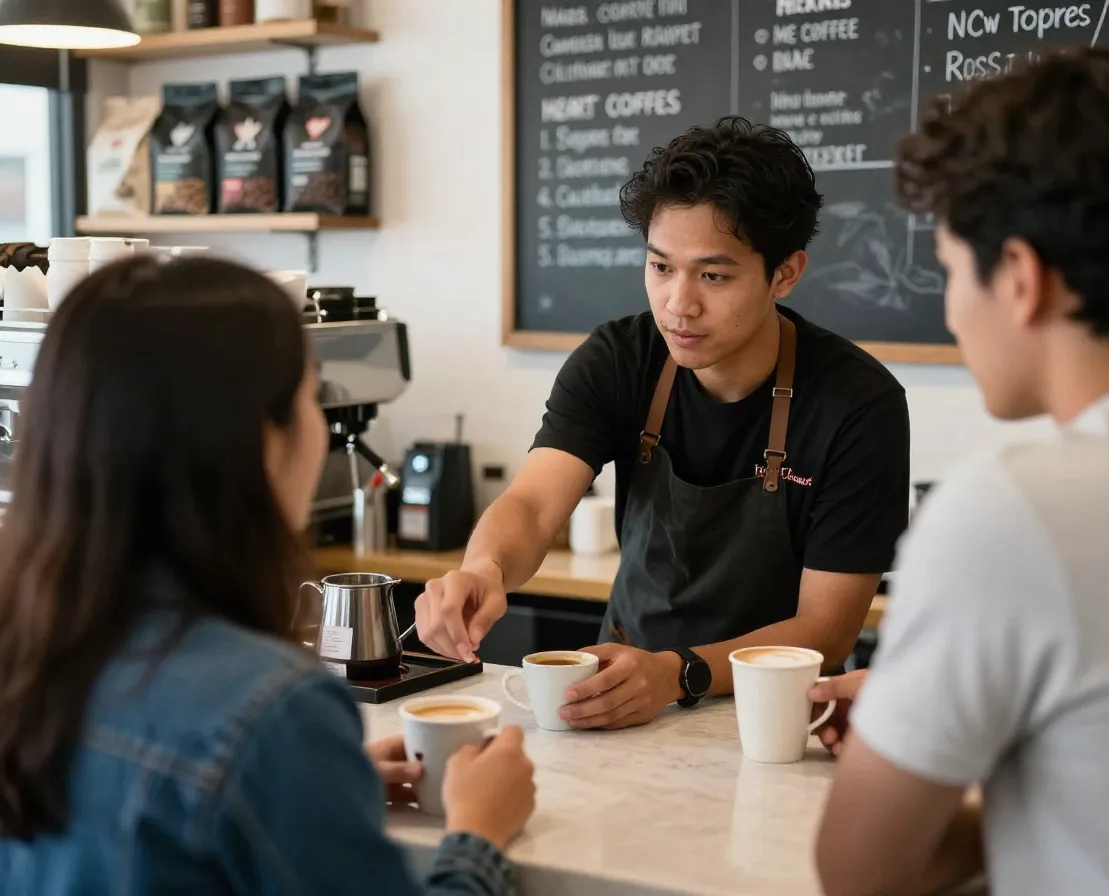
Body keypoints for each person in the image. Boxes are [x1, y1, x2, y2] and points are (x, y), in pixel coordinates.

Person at [0, 256, 535, 895]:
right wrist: (479, 831)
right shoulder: (274, 710)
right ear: (263, 438)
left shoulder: (24, 657)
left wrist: (309, 786)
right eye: (313, 397)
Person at [416, 117, 911, 730]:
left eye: (713, 275)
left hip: (771, 718)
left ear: (785, 272)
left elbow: (826, 631)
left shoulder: (857, 403)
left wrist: (677, 674)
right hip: (617, 694)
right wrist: (482, 570)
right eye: (659, 267)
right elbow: (534, 505)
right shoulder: (619, 360)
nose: (678, 304)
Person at [813, 47, 1109, 896]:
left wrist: (959, 756)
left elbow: (863, 870)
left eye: (953, 272)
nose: (952, 310)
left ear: (1022, 278)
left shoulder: (1017, 510)